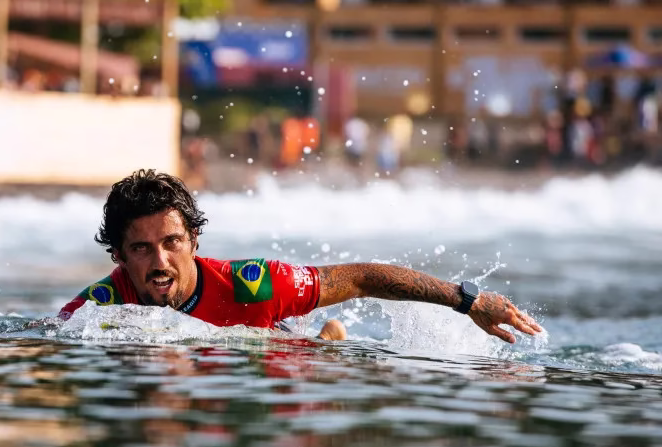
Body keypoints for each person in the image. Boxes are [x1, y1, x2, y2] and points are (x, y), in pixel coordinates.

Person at [59, 170, 542, 343]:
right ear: (119, 256)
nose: (160, 261)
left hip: (275, 350)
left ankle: (329, 341)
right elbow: (45, 337)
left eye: (172, 242)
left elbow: (362, 277)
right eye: (141, 249)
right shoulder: (99, 306)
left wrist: (466, 300)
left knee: (306, 352)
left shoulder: (253, 284)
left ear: (194, 241)